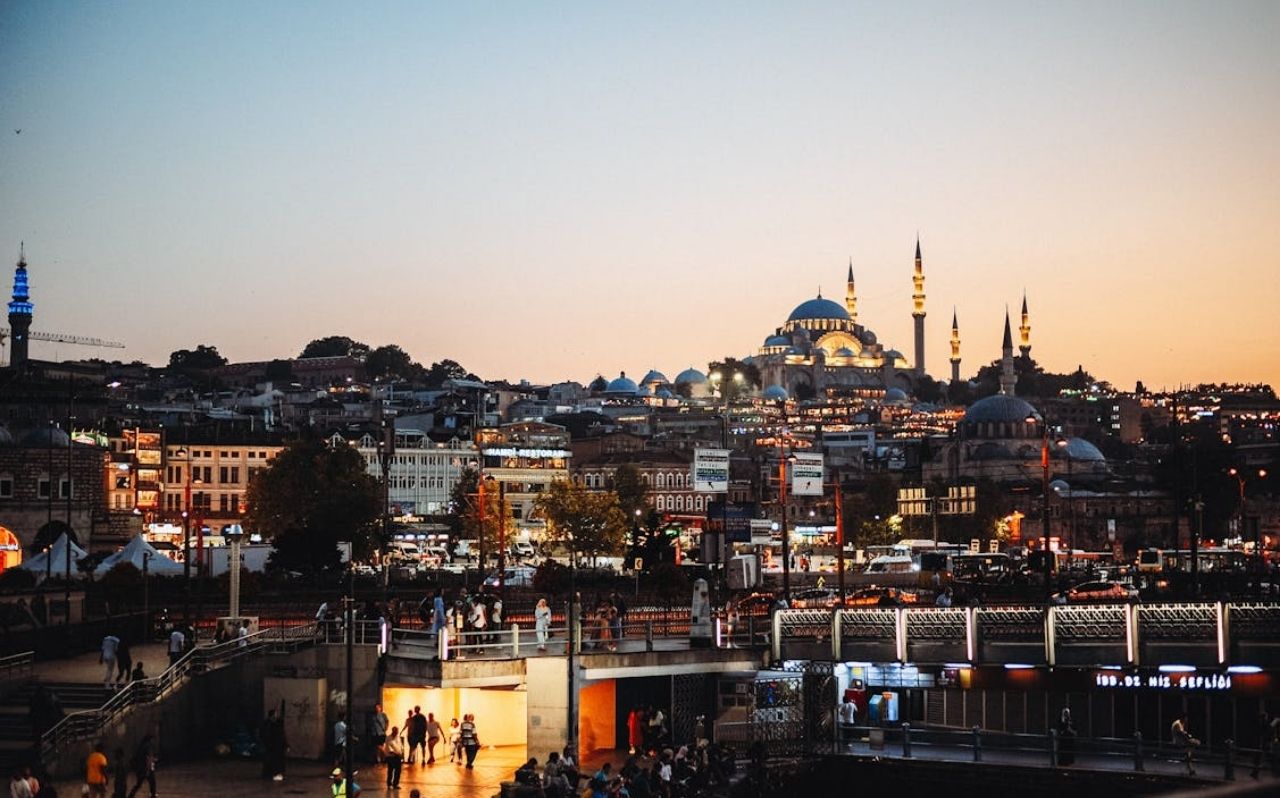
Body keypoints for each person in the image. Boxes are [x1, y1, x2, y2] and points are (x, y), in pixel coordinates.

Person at [260, 704, 288, 781]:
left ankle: (270, 773)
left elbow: (281, 735)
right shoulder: (271, 725)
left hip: (274, 745)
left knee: (273, 760)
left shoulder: (272, 724)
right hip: (272, 745)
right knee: (271, 760)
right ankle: (270, 773)